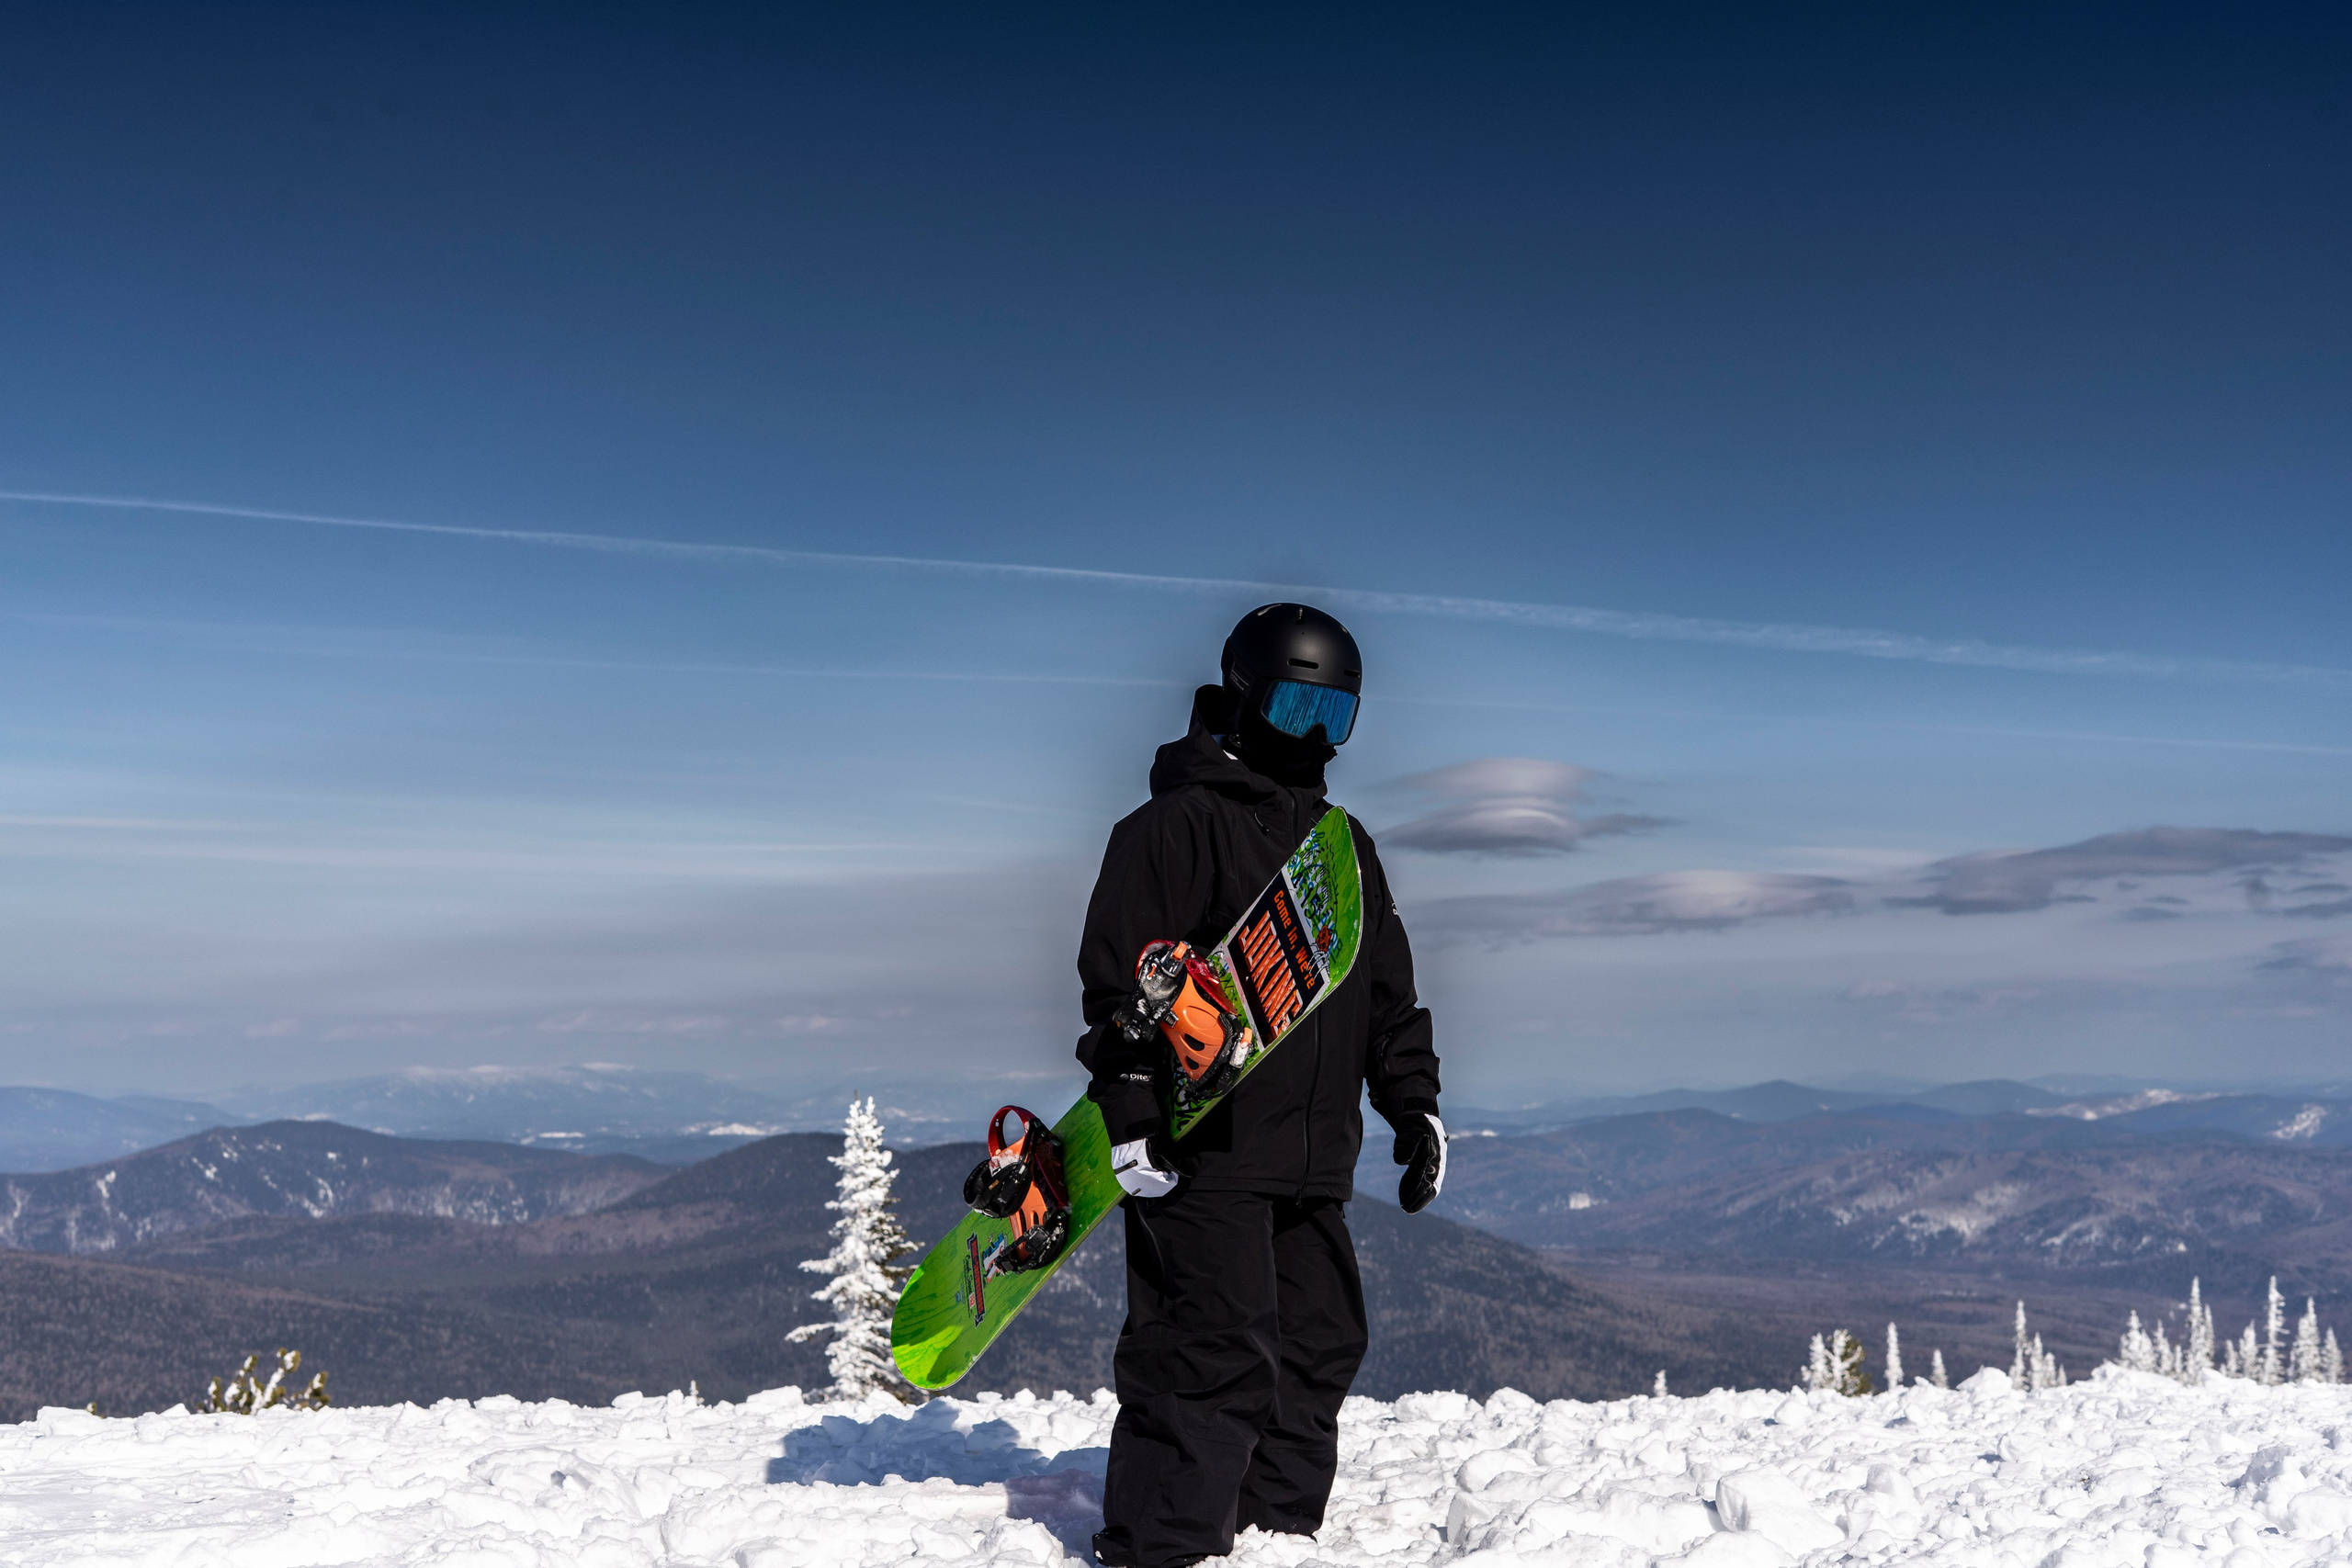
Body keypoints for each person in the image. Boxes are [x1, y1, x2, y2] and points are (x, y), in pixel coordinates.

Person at [1076, 603, 1446, 1568]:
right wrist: (1131, 1110)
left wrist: (1413, 1106)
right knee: (1208, 1349)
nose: (1313, 736)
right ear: (1242, 699)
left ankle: (1275, 1535)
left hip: (1312, 1156)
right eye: (1294, 708)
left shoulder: (1343, 847)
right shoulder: (1173, 826)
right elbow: (1121, 987)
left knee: (1320, 1342)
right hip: (1205, 1150)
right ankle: (1162, 1545)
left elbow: (1387, 995)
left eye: (1335, 716)